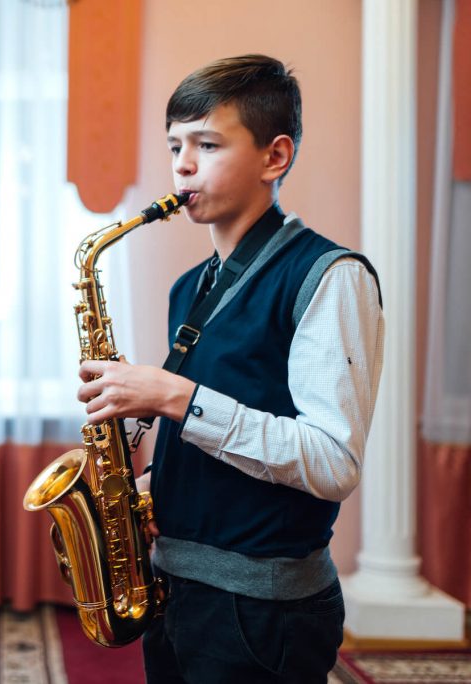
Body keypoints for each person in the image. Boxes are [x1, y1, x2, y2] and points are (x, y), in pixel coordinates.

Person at [76, 55, 383, 683]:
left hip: (264, 610)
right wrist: (151, 488)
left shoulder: (331, 276)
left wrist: (177, 398)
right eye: (174, 146)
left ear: (276, 157)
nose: (182, 165)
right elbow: (228, 423)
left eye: (207, 144)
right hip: (175, 588)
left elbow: (332, 463)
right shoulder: (190, 287)